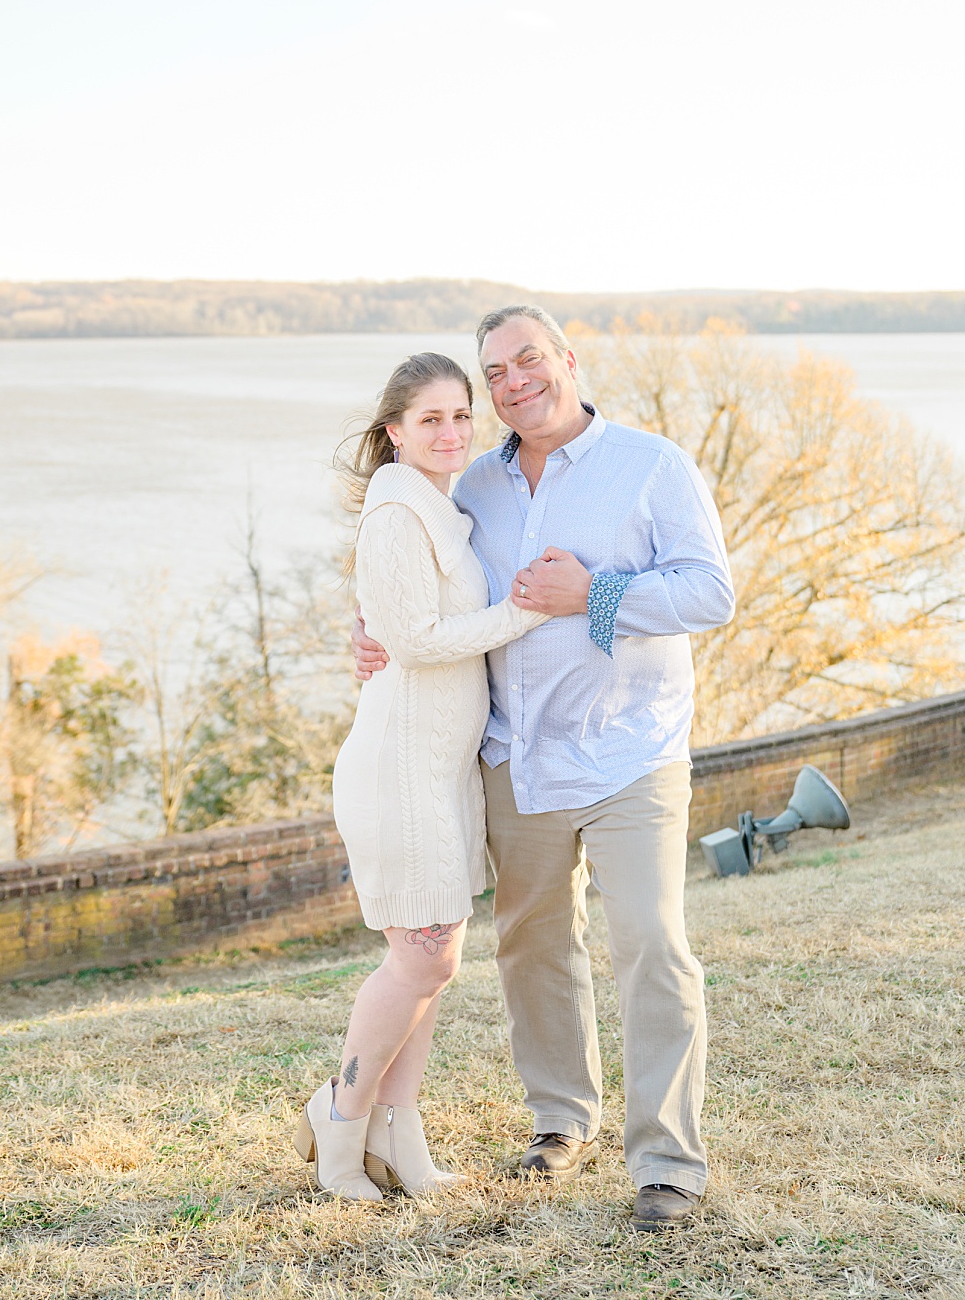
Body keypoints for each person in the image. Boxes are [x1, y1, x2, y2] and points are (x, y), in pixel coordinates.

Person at [351, 304, 734, 1232]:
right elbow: (411, 582)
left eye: (530, 360)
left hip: (627, 748)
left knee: (650, 941)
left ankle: (668, 1165)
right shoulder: (470, 482)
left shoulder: (651, 465)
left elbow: (709, 591)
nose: (515, 380)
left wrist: (596, 594)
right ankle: (561, 1121)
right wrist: (369, 635)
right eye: (497, 373)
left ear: (567, 360)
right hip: (513, 752)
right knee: (531, 945)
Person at [295, 353, 583, 1201]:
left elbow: (403, 620)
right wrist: (525, 613)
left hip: (443, 769)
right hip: (400, 769)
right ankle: (340, 1126)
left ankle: (402, 1139)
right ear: (394, 431)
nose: (452, 433)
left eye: (462, 415)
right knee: (417, 960)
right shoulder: (395, 514)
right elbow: (417, 637)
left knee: (435, 959)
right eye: (431, 420)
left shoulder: (441, 507)